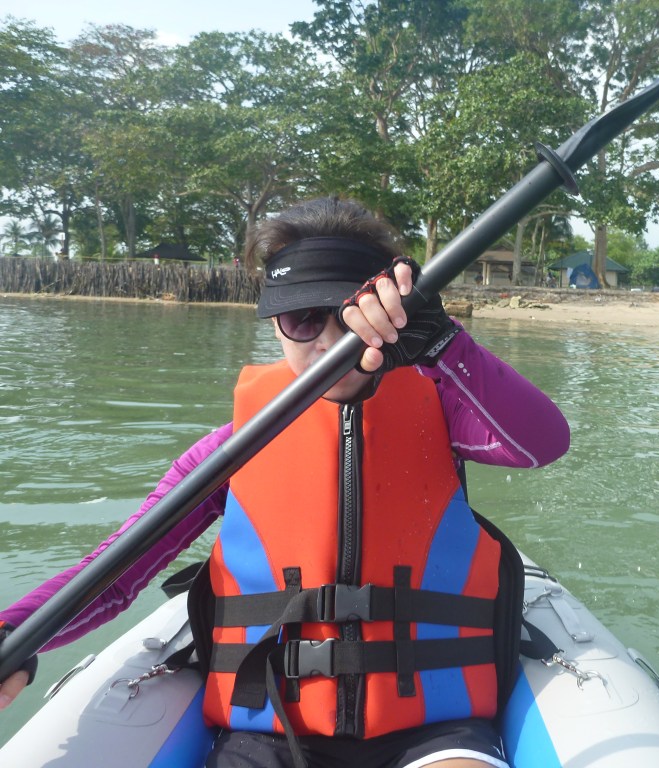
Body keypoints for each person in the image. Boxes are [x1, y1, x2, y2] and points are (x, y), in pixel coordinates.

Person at [0, 196, 570, 768]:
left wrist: (445, 343)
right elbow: (117, 573)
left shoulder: (445, 413)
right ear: (276, 325)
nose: (327, 341)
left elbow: (543, 443)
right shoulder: (226, 452)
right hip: (269, 728)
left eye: (346, 317)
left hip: (435, 730)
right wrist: (14, 633)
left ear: (388, 315)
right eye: (302, 320)